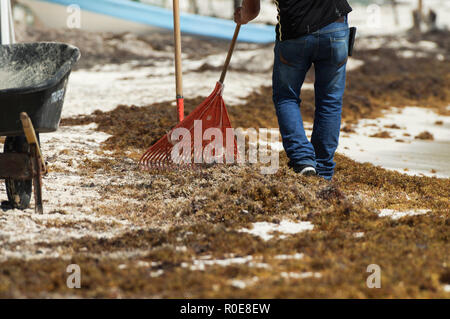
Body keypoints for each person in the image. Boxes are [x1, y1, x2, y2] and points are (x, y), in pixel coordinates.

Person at [234, 0, 352, 180]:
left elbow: (251, 10)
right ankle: (323, 169)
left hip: (294, 34)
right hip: (335, 27)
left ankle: (303, 160)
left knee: (286, 98)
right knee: (330, 101)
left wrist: (242, 17)